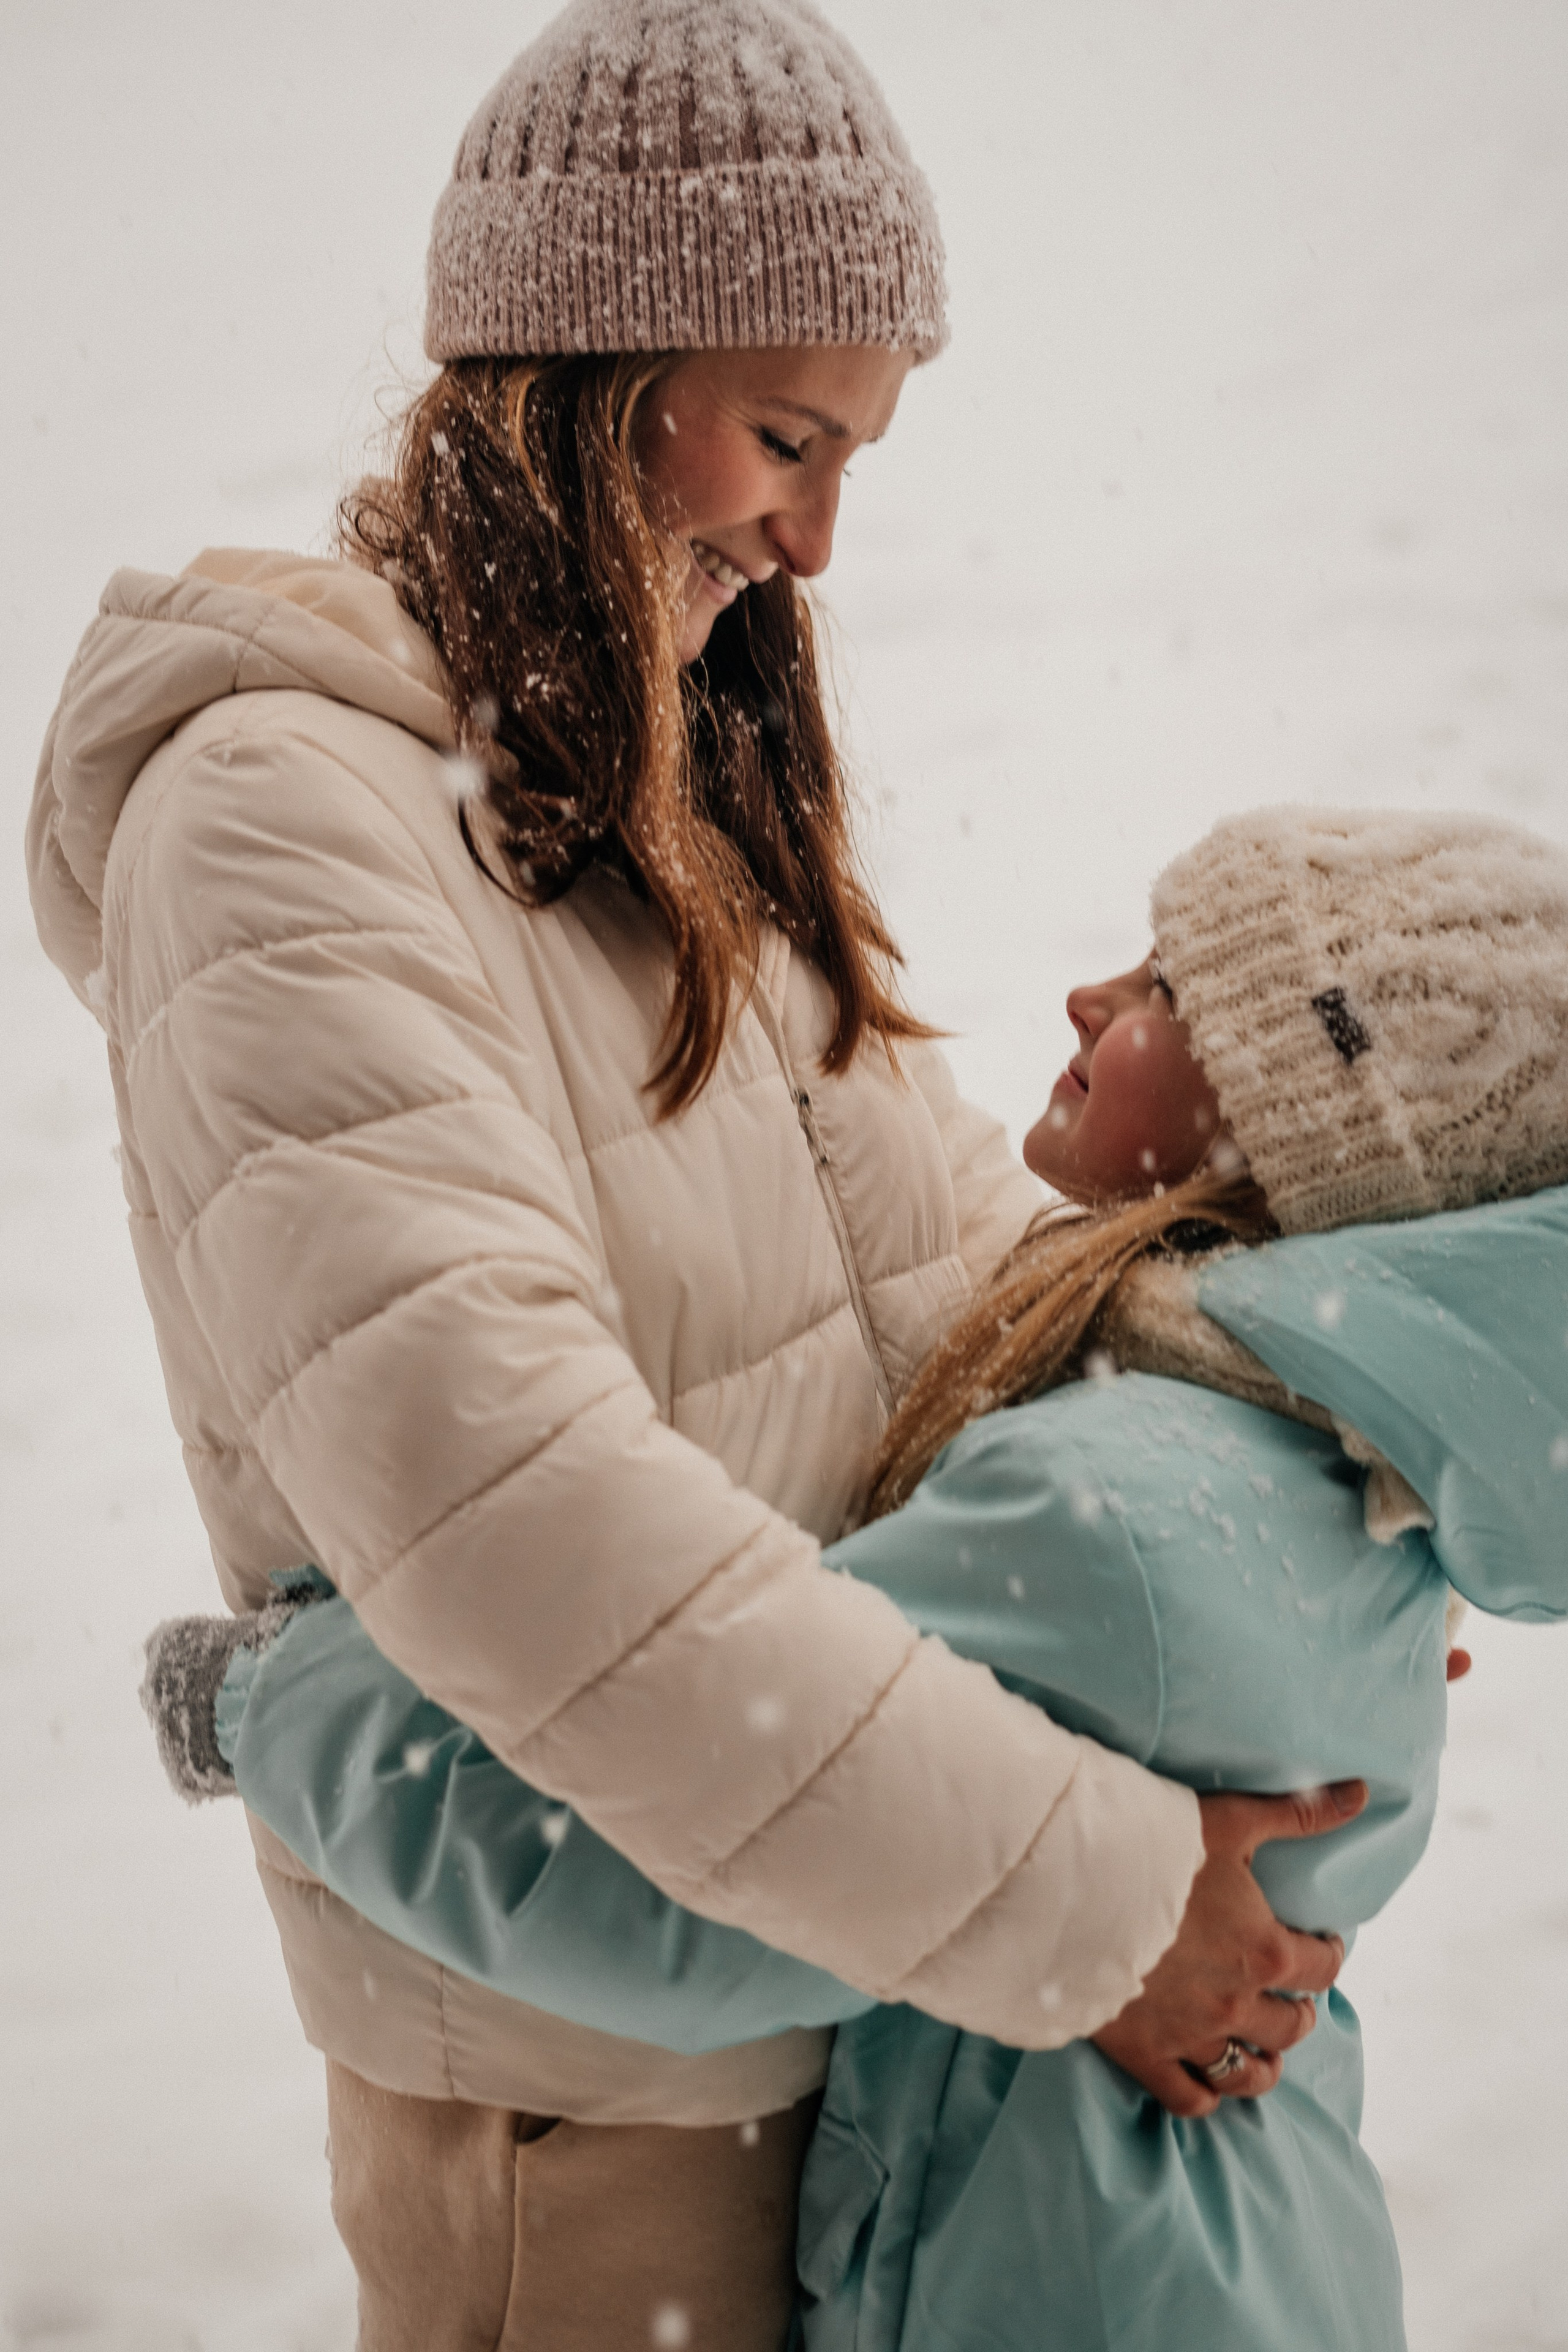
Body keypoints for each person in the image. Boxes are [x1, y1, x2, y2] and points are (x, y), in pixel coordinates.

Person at [24, 4, 1347, 2343]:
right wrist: (1105, 1904)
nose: (820, 537)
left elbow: (935, 1267)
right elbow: (525, 1522)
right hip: (596, 2104)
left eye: (861, 454)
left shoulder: (642, 789)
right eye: (784, 435)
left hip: (831, 1984)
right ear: (575, 374)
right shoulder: (287, 823)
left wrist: (1293, 1485)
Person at [156, 805, 1568, 2349]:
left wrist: (273, 1702)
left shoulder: (1110, 1512)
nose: (1090, 999)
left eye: (1169, 992)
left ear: (1307, 1134)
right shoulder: (1339, 1480)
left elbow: (671, 1875)